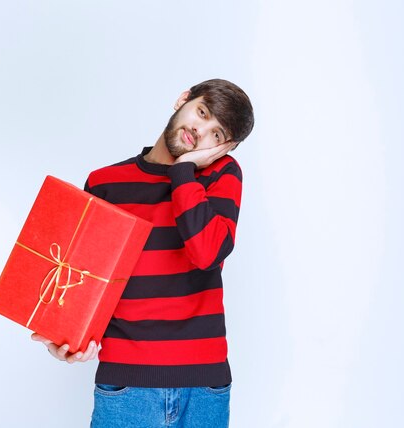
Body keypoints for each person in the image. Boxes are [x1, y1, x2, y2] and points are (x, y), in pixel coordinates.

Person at [32, 78, 254, 427]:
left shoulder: (221, 176)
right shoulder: (105, 182)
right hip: (125, 385)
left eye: (216, 134)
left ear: (226, 149)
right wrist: (66, 339)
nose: (200, 132)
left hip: (203, 386)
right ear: (183, 99)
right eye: (201, 112)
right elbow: (83, 282)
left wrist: (183, 172)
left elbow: (207, 253)